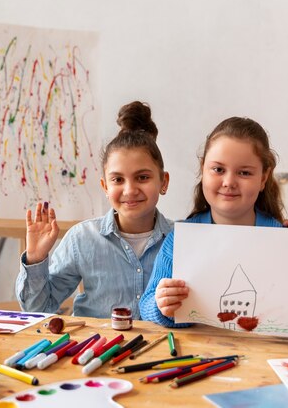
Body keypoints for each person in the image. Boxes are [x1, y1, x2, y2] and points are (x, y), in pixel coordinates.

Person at [139, 116, 288, 334]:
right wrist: (161, 307)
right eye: (218, 169)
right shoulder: (179, 241)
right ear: (202, 170)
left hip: (269, 361)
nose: (229, 182)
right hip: (202, 361)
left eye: (244, 173)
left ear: (263, 178)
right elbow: (146, 305)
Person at [16, 101, 172, 319]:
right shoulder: (82, 239)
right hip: (96, 348)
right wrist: (35, 258)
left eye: (142, 177)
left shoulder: (180, 240)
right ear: (105, 187)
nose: (129, 190)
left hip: (163, 350)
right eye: (118, 179)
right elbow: (37, 309)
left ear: (163, 182)